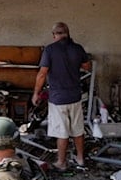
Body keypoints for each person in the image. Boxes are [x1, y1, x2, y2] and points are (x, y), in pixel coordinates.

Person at [32, 22, 90, 171]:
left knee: (62, 132)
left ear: (54, 35)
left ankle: (61, 162)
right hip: (75, 96)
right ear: (68, 33)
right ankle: (80, 159)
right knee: (78, 130)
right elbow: (87, 66)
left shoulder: (50, 50)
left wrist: (36, 93)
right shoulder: (78, 48)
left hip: (58, 98)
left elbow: (42, 73)